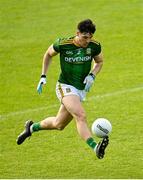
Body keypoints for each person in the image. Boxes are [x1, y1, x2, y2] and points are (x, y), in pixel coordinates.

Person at [17, 19, 109, 159]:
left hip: (80, 90)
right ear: (77, 33)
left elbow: (100, 62)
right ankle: (95, 147)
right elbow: (48, 54)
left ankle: (30, 128)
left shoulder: (94, 46)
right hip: (65, 86)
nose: (87, 41)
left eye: (90, 38)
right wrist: (43, 76)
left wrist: (92, 75)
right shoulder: (63, 44)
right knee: (80, 115)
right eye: (84, 37)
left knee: (58, 124)